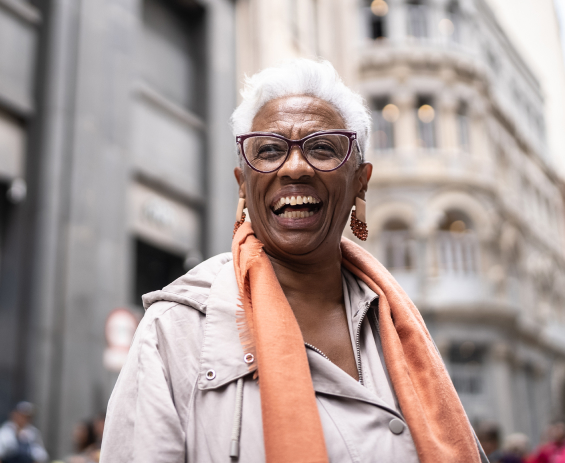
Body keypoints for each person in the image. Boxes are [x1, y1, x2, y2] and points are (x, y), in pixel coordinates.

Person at [100, 59, 488, 463]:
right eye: (269, 150)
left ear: (360, 181)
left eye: (322, 148)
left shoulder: (397, 325)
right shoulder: (174, 332)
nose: (296, 168)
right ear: (243, 186)